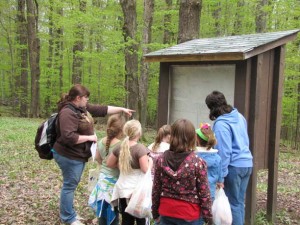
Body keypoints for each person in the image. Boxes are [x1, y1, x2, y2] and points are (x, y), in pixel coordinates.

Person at [52, 84, 134, 225]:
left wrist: (121, 109)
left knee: (71, 184)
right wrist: (89, 138)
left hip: (77, 155)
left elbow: (102, 109)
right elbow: (68, 137)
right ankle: (68, 217)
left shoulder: (80, 108)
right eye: (86, 98)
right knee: (69, 185)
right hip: (68, 155)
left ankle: (70, 213)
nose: (88, 101)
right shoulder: (67, 112)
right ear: (78, 98)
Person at [152, 119, 213, 225]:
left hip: (166, 211)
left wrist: (155, 212)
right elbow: (204, 192)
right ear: (192, 138)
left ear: (172, 136)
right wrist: (208, 216)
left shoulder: (160, 160)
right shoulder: (197, 163)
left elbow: (156, 189)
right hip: (190, 213)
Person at [205, 90, 253, 225]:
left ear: (212, 108)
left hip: (233, 166)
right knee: (239, 202)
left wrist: (221, 176)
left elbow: (224, 152)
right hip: (247, 163)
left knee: (233, 204)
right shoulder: (239, 116)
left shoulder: (221, 124)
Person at [107, 119, 153, 225]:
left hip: (123, 188)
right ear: (139, 133)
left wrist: (120, 165)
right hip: (137, 190)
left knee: (126, 219)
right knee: (141, 218)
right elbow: (145, 169)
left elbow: (109, 163)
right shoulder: (140, 149)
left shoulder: (120, 146)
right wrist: (150, 162)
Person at [88, 113, 126, 225]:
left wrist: (105, 163)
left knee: (102, 209)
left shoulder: (100, 142)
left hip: (102, 179)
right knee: (112, 210)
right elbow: (121, 165)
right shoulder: (121, 145)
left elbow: (98, 158)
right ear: (122, 130)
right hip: (113, 181)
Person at [195, 123, 223, 225]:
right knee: (209, 215)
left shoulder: (195, 156)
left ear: (197, 140)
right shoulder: (217, 158)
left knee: (198, 217)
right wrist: (220, 182)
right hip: (210, 193)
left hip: (196, 193)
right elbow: (220, 178)